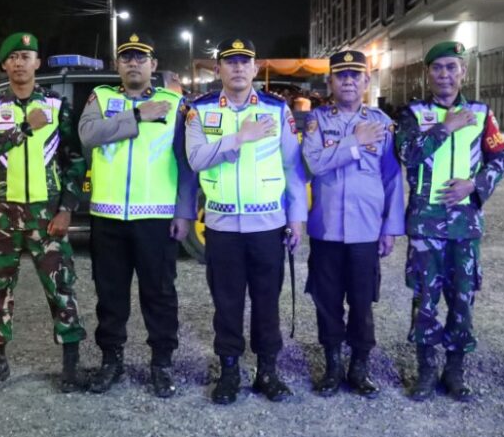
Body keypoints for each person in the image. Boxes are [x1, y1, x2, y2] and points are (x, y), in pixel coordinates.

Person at [185, 37, 307, 404]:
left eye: (245, 61)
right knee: (227, 303)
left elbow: (293, 167)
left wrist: (297, 218)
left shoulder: (276, 109)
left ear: (255, 69)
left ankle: (267, 372)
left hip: (268, 227)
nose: (238, 68)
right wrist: (239, 137)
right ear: (218, 69)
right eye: (230, 61)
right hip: (221, 229)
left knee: (267, 302)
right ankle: (229, 372)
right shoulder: (200, 110)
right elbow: (195, 159)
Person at [78, 33, 197, 398]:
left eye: (140, 58)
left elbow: (187, 163)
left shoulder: (174, 103)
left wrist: (185, 212)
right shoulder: (101, 98)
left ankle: (161, 363)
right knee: (110, 294)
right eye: (126, 57)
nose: (133, 63)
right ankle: (111, 360)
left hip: (157, 217)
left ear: (153, 66)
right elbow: (88, 135)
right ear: (118, 65)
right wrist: (135, 116)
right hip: (108, 216)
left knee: (159, 293)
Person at [0, 32, 87, 393]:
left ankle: (71, 364)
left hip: (46, 216)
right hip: (3, 217)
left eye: (27, 55)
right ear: (5, 65)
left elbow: (75, 161)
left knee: (61, 286)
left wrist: (67, 208)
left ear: (38, 63)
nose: (20, 62)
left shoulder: (56, 107)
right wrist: (24, 128)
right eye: (13, 57)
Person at [395, 41, 504, 402]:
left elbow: (500, 159)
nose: (444, 74)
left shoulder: (482, 112)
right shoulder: (413, 113)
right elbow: (408, 154)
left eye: (451, 67)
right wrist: (445, 127)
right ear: (427, 74)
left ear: (464, 72)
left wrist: (473, 185)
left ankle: (455, 371)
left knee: (462, 299)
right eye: (437, 68)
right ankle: (426, 371)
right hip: (426, 226)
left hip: (465, 226)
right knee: (424, 298)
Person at [302, 50, 405, 398]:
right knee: (326, 300)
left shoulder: (382, 124)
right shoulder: (316, 120)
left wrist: (391, 227)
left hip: (365, 231)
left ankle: (359, 366)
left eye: (355, 75)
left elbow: (392, 177)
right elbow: (314, 163)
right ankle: (332, 366)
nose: (348, 80)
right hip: (326, 229)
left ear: (366, 81)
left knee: (362, 302)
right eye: (341, 75)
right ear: (329, 81)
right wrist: (354, 143)